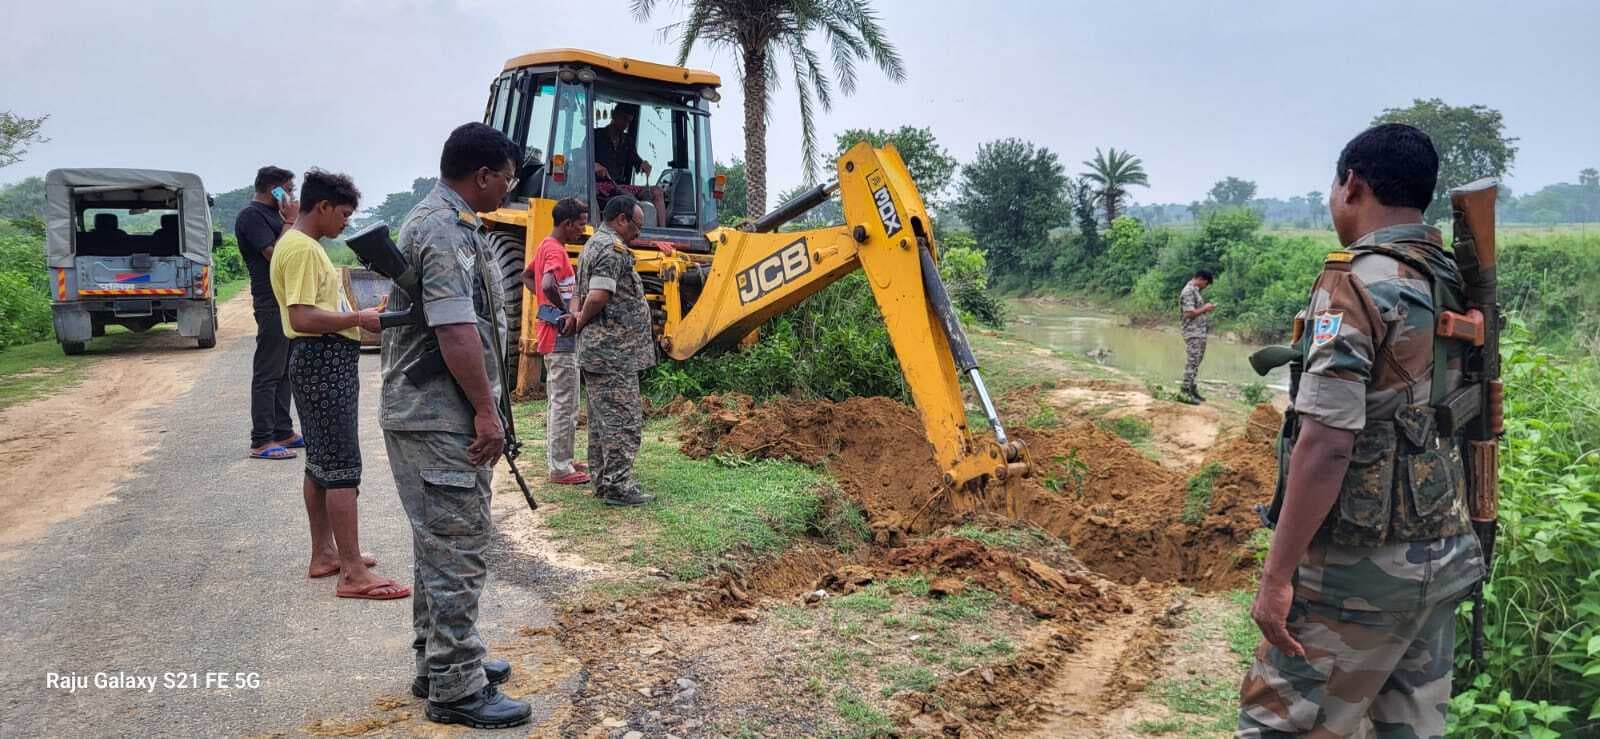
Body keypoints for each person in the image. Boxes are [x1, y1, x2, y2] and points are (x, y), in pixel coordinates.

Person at [1237, 123, 1484, 737]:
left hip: (1357, 572)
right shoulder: (1448, 276)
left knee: (1279, 726)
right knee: (1404, 729)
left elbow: (1328, 443)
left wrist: (1275, 579)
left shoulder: (1355, 280)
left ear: (1352, 184)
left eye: (1334, 184)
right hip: (1443, 553)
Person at [382, 122, 530, 729]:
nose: (509, 190)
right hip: (439, 415)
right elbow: (454, 330)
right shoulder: (442, 229)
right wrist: (487, 410)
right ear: (484, 174)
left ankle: (440, 662)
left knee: (438, 546)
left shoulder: (448, 222)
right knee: (458, 549)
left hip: (435, 412)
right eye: (507, 178)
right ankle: (457, 688)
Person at [268, 169, 402, 600]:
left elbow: (315, 308)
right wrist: (358, 319)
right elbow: (302, 317)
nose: (346, 223)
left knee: (321, 463)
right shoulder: (304, 250)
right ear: (322, 207)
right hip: (323, 358)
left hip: (319, 359)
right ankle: (352, 573)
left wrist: (356, 312)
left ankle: (326, 553)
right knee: (342, 466)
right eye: (343, 214)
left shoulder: (297, 244)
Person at [574, 194, 656, 507]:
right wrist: (581, 321)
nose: (639, 233)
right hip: (613, 351)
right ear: (621, 219)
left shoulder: (594, 243)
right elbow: (598, 295)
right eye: (636, 225)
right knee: (624, 421)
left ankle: (604, 481)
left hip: (602, 351)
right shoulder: (612, 248)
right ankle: (619, 487)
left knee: (600, 421)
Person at [521, 196, 590, 485]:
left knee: (562, 400)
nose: (582, 231)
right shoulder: (555, 251)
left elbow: (528, 276)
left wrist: (545, 305)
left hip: (551, 332)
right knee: (565, 401)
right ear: (567, 224)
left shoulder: (547, 246)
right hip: (559, 336)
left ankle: (562, 457)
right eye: (580, 225)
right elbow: (547, 283)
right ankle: (560, 468)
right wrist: (564, 313)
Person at [238, 165, 303, 460]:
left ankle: (283, 431)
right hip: (270, 301)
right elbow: (276, 255)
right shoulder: (251, 216)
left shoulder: (276, 216)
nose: (291, 194)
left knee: (285, 370)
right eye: (288, 189)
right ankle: (261, 440)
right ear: (273, 189)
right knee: (268, 371)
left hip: (287, 300)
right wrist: (290, 220)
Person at [593, 102, 666, 226]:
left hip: (621, 186)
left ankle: (663, 232)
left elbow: (636, 160)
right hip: (599, 186)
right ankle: (597, 228)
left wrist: (643, 164)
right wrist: (594, 165)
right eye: (624, 119)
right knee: (590, 194)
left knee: (657, 192)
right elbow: (581, 160)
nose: (626, 125)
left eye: (629, 121)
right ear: (614, 115)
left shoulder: (628, 141)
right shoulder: (595, 135)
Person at [1178, 268, 1216, 403]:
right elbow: (1188, 314)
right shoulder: (1188, 291)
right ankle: (1184, 391)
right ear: (1201, 279)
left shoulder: (1195, 291)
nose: (1205, 287)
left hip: (1199, 332)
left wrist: (1205, 309)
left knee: (1196, 361)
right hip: (1192, 332)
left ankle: (1192, 389)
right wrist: (1205, 308)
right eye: (1206, 284)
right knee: (1192, 361)